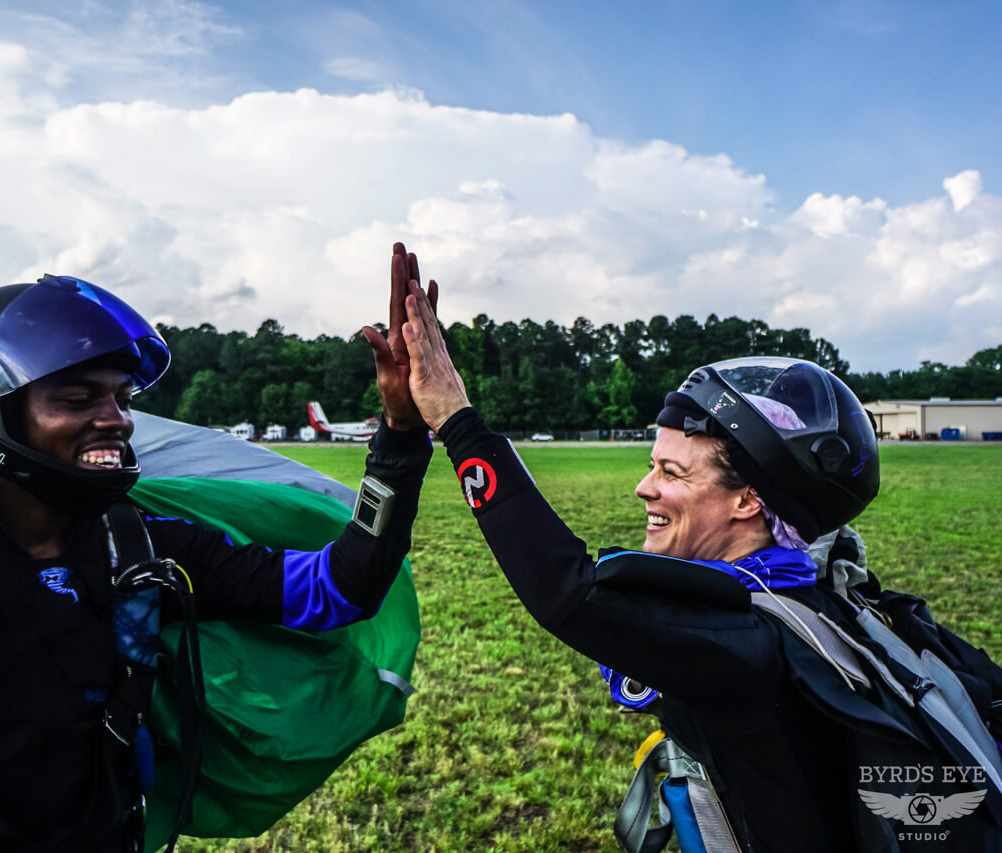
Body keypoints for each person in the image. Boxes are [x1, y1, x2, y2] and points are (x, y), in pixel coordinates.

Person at [0, 264, 434, 853]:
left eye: (122, 398)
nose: (118, 420)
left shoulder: (135, 546)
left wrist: (401, 439)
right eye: (78, 399)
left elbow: (338, 590)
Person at [391, 247, 997, 851]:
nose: (643, 487)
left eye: (673, 474)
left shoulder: (749, 646)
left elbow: (570, 591)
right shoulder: (814, 588)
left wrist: (455, 420)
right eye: (651, 464)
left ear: (749, 501)